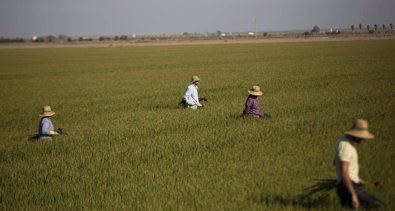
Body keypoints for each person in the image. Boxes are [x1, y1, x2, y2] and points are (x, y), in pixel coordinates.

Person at [334, 119, 384, 209]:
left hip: (346, 186)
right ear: (355, 135)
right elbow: (345, 174)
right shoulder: (346, 146)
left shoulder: (343, 141)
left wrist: (370, 183)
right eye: (361, 137)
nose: (363, 139)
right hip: (348, 188)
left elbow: (336, 163)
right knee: (378, 206)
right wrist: (353, 194)